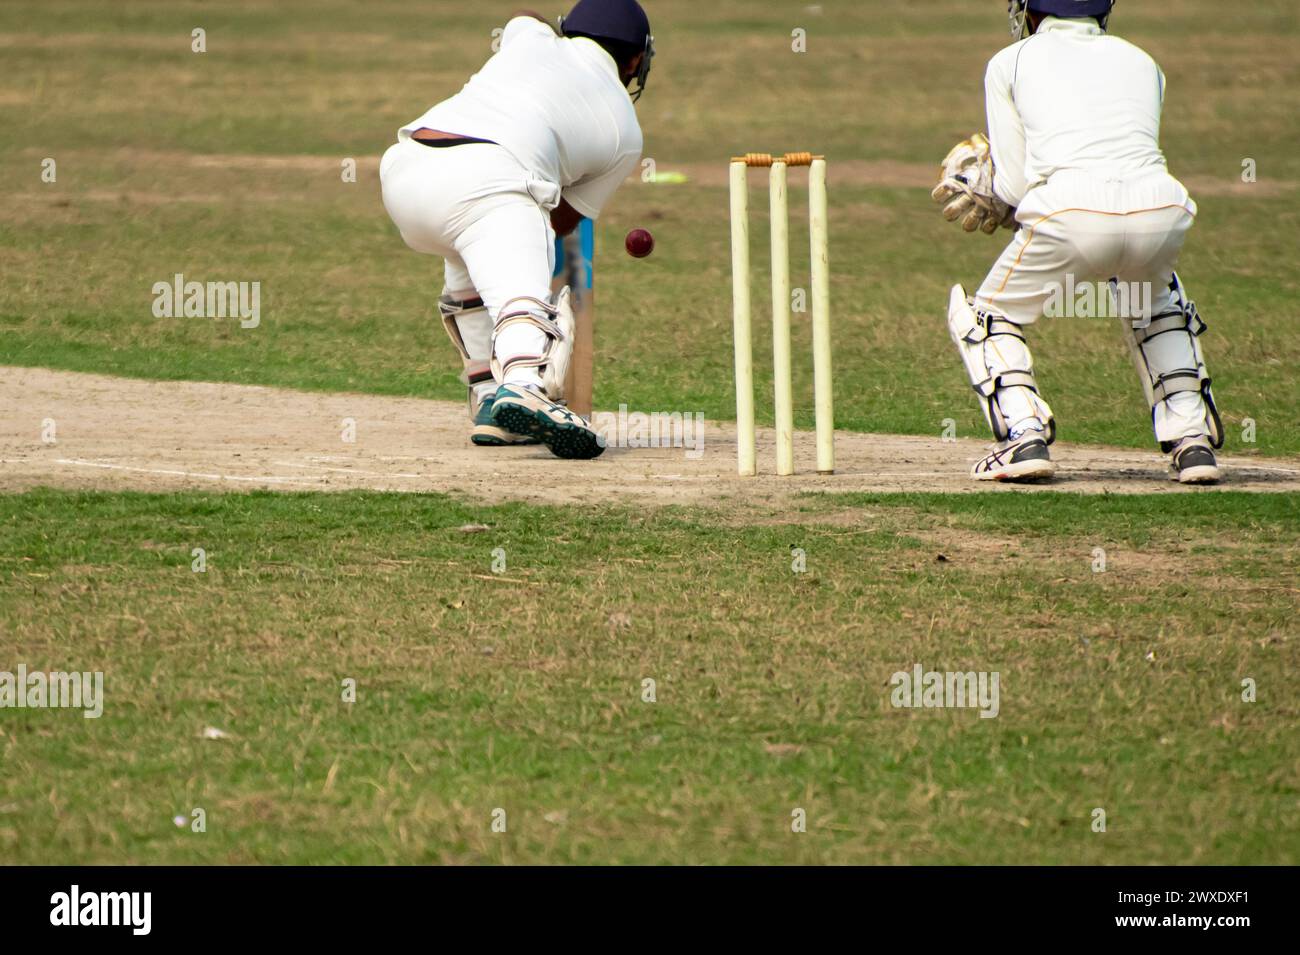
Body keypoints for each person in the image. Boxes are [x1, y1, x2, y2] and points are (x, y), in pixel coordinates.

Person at [932, 0, 1223, 483]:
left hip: (1070, 209)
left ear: (1030, 10)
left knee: (987, 315)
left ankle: (1023, 438)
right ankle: (1192, 443)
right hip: (1161, 206)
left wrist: (982, 187)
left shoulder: (1011, 61)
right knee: (1154, 303)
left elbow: (1015, 188)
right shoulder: (1144, 60)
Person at [380, 1, 654, 459]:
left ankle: (489, 396)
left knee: (474, 244)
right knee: (511, 248)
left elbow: (524, 15)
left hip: (404, 169)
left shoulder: (531, 37)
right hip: (489, 178)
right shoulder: (625, 131)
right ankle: (524, 384)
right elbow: (560, 220)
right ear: (634, 60)